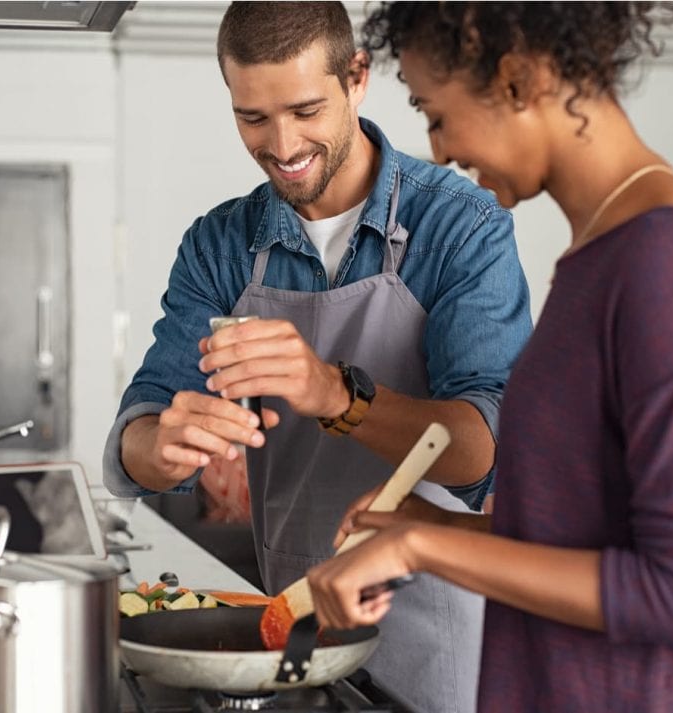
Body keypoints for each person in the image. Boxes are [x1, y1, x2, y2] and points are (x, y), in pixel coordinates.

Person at [103, 3, 533, 711]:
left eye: (305, 109)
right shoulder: (220, 245)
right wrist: (163, 443)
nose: (282, 143)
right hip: (296, 633)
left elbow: (484, 448)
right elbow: (135, 439)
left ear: (357, 77)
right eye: (253, 118)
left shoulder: (461, 225)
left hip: (440, 646)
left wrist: (334, 392)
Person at [307, 3, 673, 711]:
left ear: (518, 82)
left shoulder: (669, 263)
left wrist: (421, 552)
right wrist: (428, 526)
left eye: (437, 114)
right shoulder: (598, 256)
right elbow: (582, 532)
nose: (437, 149)